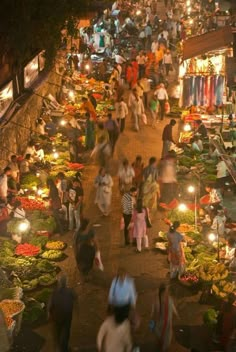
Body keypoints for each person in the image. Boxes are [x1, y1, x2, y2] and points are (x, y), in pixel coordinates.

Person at [48, 276, 77, 352]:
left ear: (59, 284)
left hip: (56, 317)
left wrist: (49, 314)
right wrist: (77, 310)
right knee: (65, 333)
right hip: (66, 317)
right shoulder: (70, 291)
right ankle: (64, 348)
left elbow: (50, 305)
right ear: (66, 283)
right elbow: (76, 300)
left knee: (57, 332)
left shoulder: (54, 292)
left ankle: (58, 348)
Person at [151, 283, 178, 351]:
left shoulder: (168, 299)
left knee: (165, 337)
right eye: (167, 290)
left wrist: (176, 314)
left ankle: (163, 346)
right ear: (163, 292)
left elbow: (173, 307)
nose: (168, 291)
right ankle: (163, 346)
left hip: (166, 322)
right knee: (163, 336)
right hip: (162, 322)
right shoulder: (157, 301)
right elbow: (153, 311)